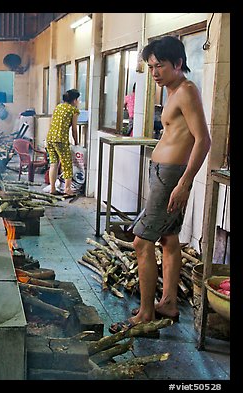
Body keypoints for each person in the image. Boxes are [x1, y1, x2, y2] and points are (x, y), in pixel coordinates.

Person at [109, 35, 211, 336]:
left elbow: (203, 140)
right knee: (168, 238)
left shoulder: (186, 91)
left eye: (160, 66)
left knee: (142, 242)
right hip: (165, 173)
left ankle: (146, 314)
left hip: (171, 176)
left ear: (178, 64)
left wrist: (184, 183)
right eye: (151, 66)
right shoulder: (173, 90)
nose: (154, 73)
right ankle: (167, 302)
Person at [46, 89, 80, 196]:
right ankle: (67, 189)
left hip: (50, 138)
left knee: (53, 163)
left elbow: (52, 122)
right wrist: (76, 142)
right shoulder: (73, 110)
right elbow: (74, 129)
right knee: (67, 164)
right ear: (74, 100)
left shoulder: (58, 107)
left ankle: (52, 188)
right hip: (60, 140)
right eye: (78, 99)